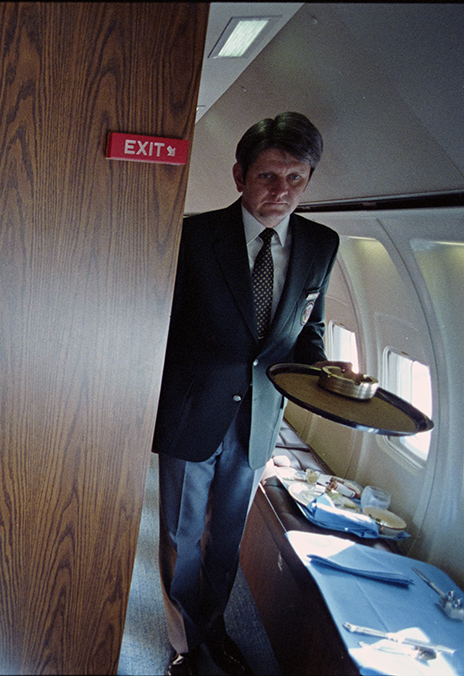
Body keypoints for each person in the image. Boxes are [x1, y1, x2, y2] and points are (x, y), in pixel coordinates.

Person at [151, 112, 346, 676]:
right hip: (192, 410)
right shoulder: (192, 236)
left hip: (261, 416)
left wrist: (324, 371)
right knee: (181, 535)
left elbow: (307, 332)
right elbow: (162, 326)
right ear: (240, 175)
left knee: (227, 538)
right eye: (268, 176)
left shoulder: (321, 244)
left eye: (295, 178)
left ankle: (213, 629)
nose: (281, 191)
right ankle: (185, 644)